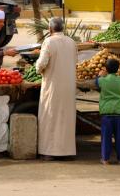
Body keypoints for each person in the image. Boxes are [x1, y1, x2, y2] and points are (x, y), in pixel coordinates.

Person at [35, 17, 77, 161]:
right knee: (66, 117)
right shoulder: (72, 42)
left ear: (50, 29)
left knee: (51, 117)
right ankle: (67, 151)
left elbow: (41, 64)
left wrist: (37, 69)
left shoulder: (49, 42)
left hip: (53, 85)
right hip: (69, 85)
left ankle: (49, 151)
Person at [96, 59, 120, 165]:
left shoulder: (103, 80)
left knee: (106, 138)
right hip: (118, 113)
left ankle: (105, 159)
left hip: (107, 113)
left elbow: (97, 82)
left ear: (106, 69)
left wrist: (100, 75)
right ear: (117, 69)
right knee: (119, 138)